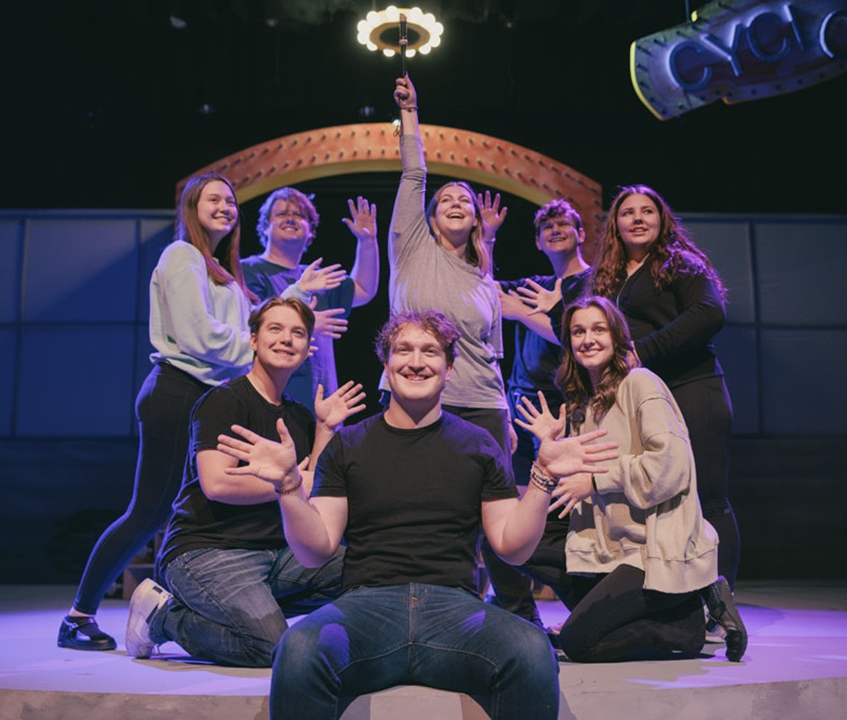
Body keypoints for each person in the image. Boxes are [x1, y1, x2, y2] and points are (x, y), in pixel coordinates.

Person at [215, 310, 618, 719]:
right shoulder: (347, 445)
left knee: (532, 649)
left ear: (449, 368)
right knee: (298, 648)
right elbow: (314, 550)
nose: (416, 361)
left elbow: (513, 548)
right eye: (403, 350)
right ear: (386, 364)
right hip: (366, 608)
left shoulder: (479, 445)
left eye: (430, 351)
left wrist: (543, 476)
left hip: (456, 611)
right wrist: (288, 485)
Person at [57, 172, 258, 651]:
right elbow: (199, 336)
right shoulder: (181, 256)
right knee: (149, 512)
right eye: (214, 199)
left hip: (206, 396)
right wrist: (254, 346)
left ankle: (183, 611)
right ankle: (78, 616)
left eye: (231, 201)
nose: (226, 207)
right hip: (178, 390)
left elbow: (237, 332)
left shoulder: (218, 268)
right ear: (191, 207)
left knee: (194, 512)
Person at [122, 296, 366, 666]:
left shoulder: (299, 416)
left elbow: (310, 495)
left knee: (363, 572)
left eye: (298, 333)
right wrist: (287, 482)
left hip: (277, 553)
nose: (286, 339)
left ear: (307, 349)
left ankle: (251, 616)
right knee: (269, 648)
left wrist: (325, 429)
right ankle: (163, 617)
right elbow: (217, 484)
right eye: (275, 329)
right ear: (253, 339)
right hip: (208, 550)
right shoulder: (224, 400)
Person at [516, 296, 748, 663]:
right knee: (519, 545)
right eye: (578, 331)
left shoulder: (640, 383)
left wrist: (596, 482)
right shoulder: (583, 402)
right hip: (610, 543)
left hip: (650, 547)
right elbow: (578, 477)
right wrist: (550, 447)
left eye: (598, 329)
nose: (587, 339)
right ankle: (614, 615)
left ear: (617, 337)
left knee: (579, 644)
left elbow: (671, 465)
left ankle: (684, 625)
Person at [386, 74, 531, 621]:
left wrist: (506, 416)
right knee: (421, 503)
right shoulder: (412, 247)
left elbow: (494, 355)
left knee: (499, 510)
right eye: (445, 199)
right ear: (428, 216)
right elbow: (414, 173)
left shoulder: (484, 280)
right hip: (419, 400)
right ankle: (422, 605)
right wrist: (411, 112)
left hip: (484, 403)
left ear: (475, 220)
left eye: (464, 201)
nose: (454, 202)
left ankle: (517, 610)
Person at [586, 185, 742, 600]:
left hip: (693, 388)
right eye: (627, 212)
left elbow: (710, 312)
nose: (638, 218)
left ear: (662, 219)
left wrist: (644, 350)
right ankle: (675, 602)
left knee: (708, 498)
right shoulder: (610, 277)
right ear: (615, 225)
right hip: (647, 400)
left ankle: (719, 604)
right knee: (658, 500)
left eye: (647, 211)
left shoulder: (680, 263)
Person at [482, 197, 594, 617]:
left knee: (560, 520)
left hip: (567, 414)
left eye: (563, 223)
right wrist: (487, 238)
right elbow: (484, 288)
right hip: (523, 413)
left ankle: (586, 607)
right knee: (508, 517)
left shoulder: (593, 283)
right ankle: (517, 610)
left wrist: (523, 314)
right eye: (547, 227)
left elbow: (581, 337)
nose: (555, 230)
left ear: (581, 233)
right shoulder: (536, 285)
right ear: (538, 242)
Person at [242, 187, 380, 411]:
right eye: (282, 214)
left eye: (298, 215)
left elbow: (363, 289)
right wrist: (307, 323)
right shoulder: (249, 270)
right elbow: (250, 322)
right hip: (274, 398)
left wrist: (367, 241)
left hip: (321, 400)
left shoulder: (316, 277)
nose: (290, 218)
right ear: (265, 226)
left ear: (311, 231)